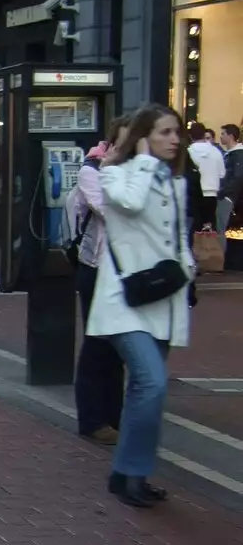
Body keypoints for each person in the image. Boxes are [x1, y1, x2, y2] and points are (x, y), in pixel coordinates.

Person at [86, 103, 197, 510]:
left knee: (141, 390)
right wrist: (143, 161)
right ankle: (132, 470)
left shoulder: (178, 181)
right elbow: (129, 204)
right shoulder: (116, 174)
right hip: (123, 301)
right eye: (165, 132)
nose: (174, 139)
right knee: (152, 383)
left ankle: (129, 474)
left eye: (176, 132)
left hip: (163, 299)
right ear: (144, 137)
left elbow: (177, 237)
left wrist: (188, 270)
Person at [71, 125, 130, 445]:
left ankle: (115, 416)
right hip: (97, 267)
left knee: (119, 345)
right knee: (97, 342)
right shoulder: (92, 171)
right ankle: (92, 418)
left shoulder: (138, 172)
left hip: (128, 269)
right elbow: (110, 211)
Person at [187, 121, 224, 230]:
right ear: (204, 134)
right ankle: (211, 248)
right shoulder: (215, 151)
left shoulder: (188, 152)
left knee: (194, 229)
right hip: (212, 194)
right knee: (210, 229)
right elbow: (222, 173)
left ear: (190, 136)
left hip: (194, 195)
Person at [219, 123, 243, 234]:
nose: (220, 136)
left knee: (220, 228)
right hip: (225, 195)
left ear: (231, 136)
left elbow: (237, 177)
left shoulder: (238, 155)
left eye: (223, 134)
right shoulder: (228, 154)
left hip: (228, 197)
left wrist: (224, 193)